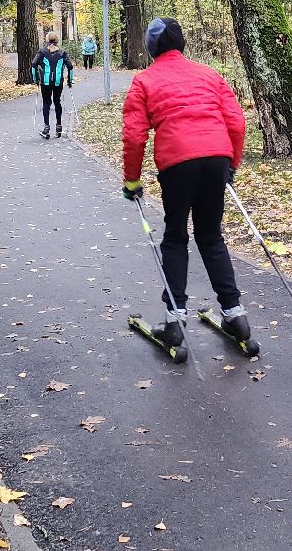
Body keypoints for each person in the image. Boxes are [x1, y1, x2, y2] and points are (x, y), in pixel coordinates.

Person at [120, 18, 254, 352]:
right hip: (216, 158)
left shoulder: (144, 81)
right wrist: (231, 164)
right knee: (210, 236)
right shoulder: (209, 74)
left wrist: (132, 180)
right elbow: (236, 122)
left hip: (177, 164)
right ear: (181, 42)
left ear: (152, 48)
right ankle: (235, 314)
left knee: (176, 236)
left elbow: (134, 135)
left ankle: (175, 321)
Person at [31, 34, 74, 139]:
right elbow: (70, 67)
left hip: (45, 82)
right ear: (57, 40)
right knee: (57, 102)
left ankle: (46, 128)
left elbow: (33, 65)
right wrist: (70, 81)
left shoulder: (42, 52)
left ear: (47, 40)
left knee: (46, 103)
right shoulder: (62, 53)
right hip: (58, 82)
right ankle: (59, 127)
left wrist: (35, 79)